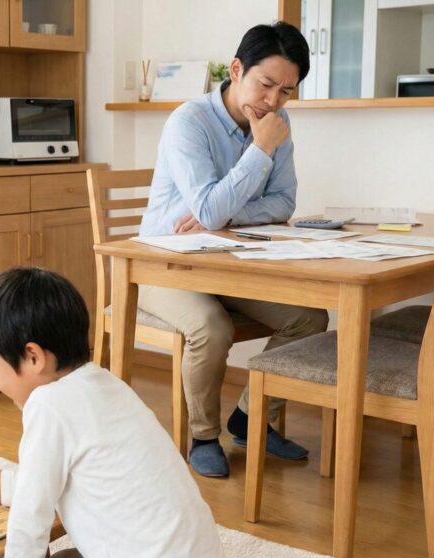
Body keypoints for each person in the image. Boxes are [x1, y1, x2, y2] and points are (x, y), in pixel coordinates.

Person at [137, 22, 328, 477]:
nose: (274, 101)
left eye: (286, 91)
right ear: (237, 69)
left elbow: (285, 203)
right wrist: (258, 151)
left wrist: (225, 216)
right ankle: (203, 435)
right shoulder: (189, 122)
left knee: (311, 318)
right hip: (163, 263)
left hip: (228, 261)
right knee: (211, 327)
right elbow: (206, 206)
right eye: (266, 85)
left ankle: (250, 418)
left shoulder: (278, 124)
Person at [0, 267, 224, 558]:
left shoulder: (49, 405)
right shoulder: (107, 384)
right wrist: (0, 481)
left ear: (33, 357)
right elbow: (58, 481)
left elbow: (30, 519)